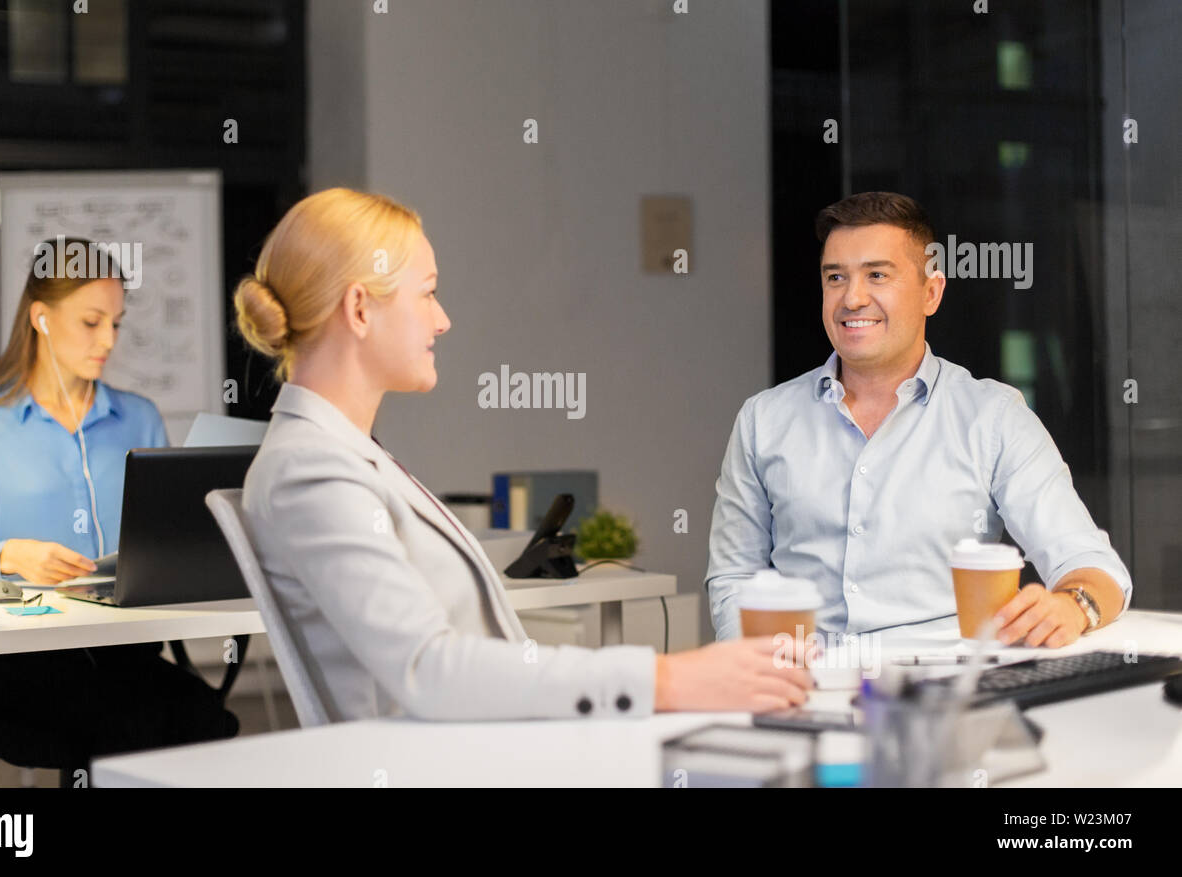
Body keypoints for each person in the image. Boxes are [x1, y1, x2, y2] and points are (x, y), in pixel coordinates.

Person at [237, 188, 814, 721]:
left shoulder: (350, 456)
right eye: (429, 292)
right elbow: (428, 670)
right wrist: (668, 679)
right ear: (360, 308)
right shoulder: (309, 470)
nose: (443, 319)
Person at [706, 192, 1131, 649]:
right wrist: (757, 667)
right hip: (801, 686)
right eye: (835, 277)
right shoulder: (763, 419)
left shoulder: (993, 418)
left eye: (877, 275)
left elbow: (1092, 565)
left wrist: (1072, 606)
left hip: (943, 691)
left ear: (931, 292)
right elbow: (734, 576)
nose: (852, 297)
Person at [0, 238, 238, 782]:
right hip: (16, 669)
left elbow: (162, 549)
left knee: (201, 721)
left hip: (125, 657)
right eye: (92, 322)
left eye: (116, 322)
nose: (109, 339)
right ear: (41, 319)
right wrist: (9, 556)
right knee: (137, 728)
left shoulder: (139, 419)